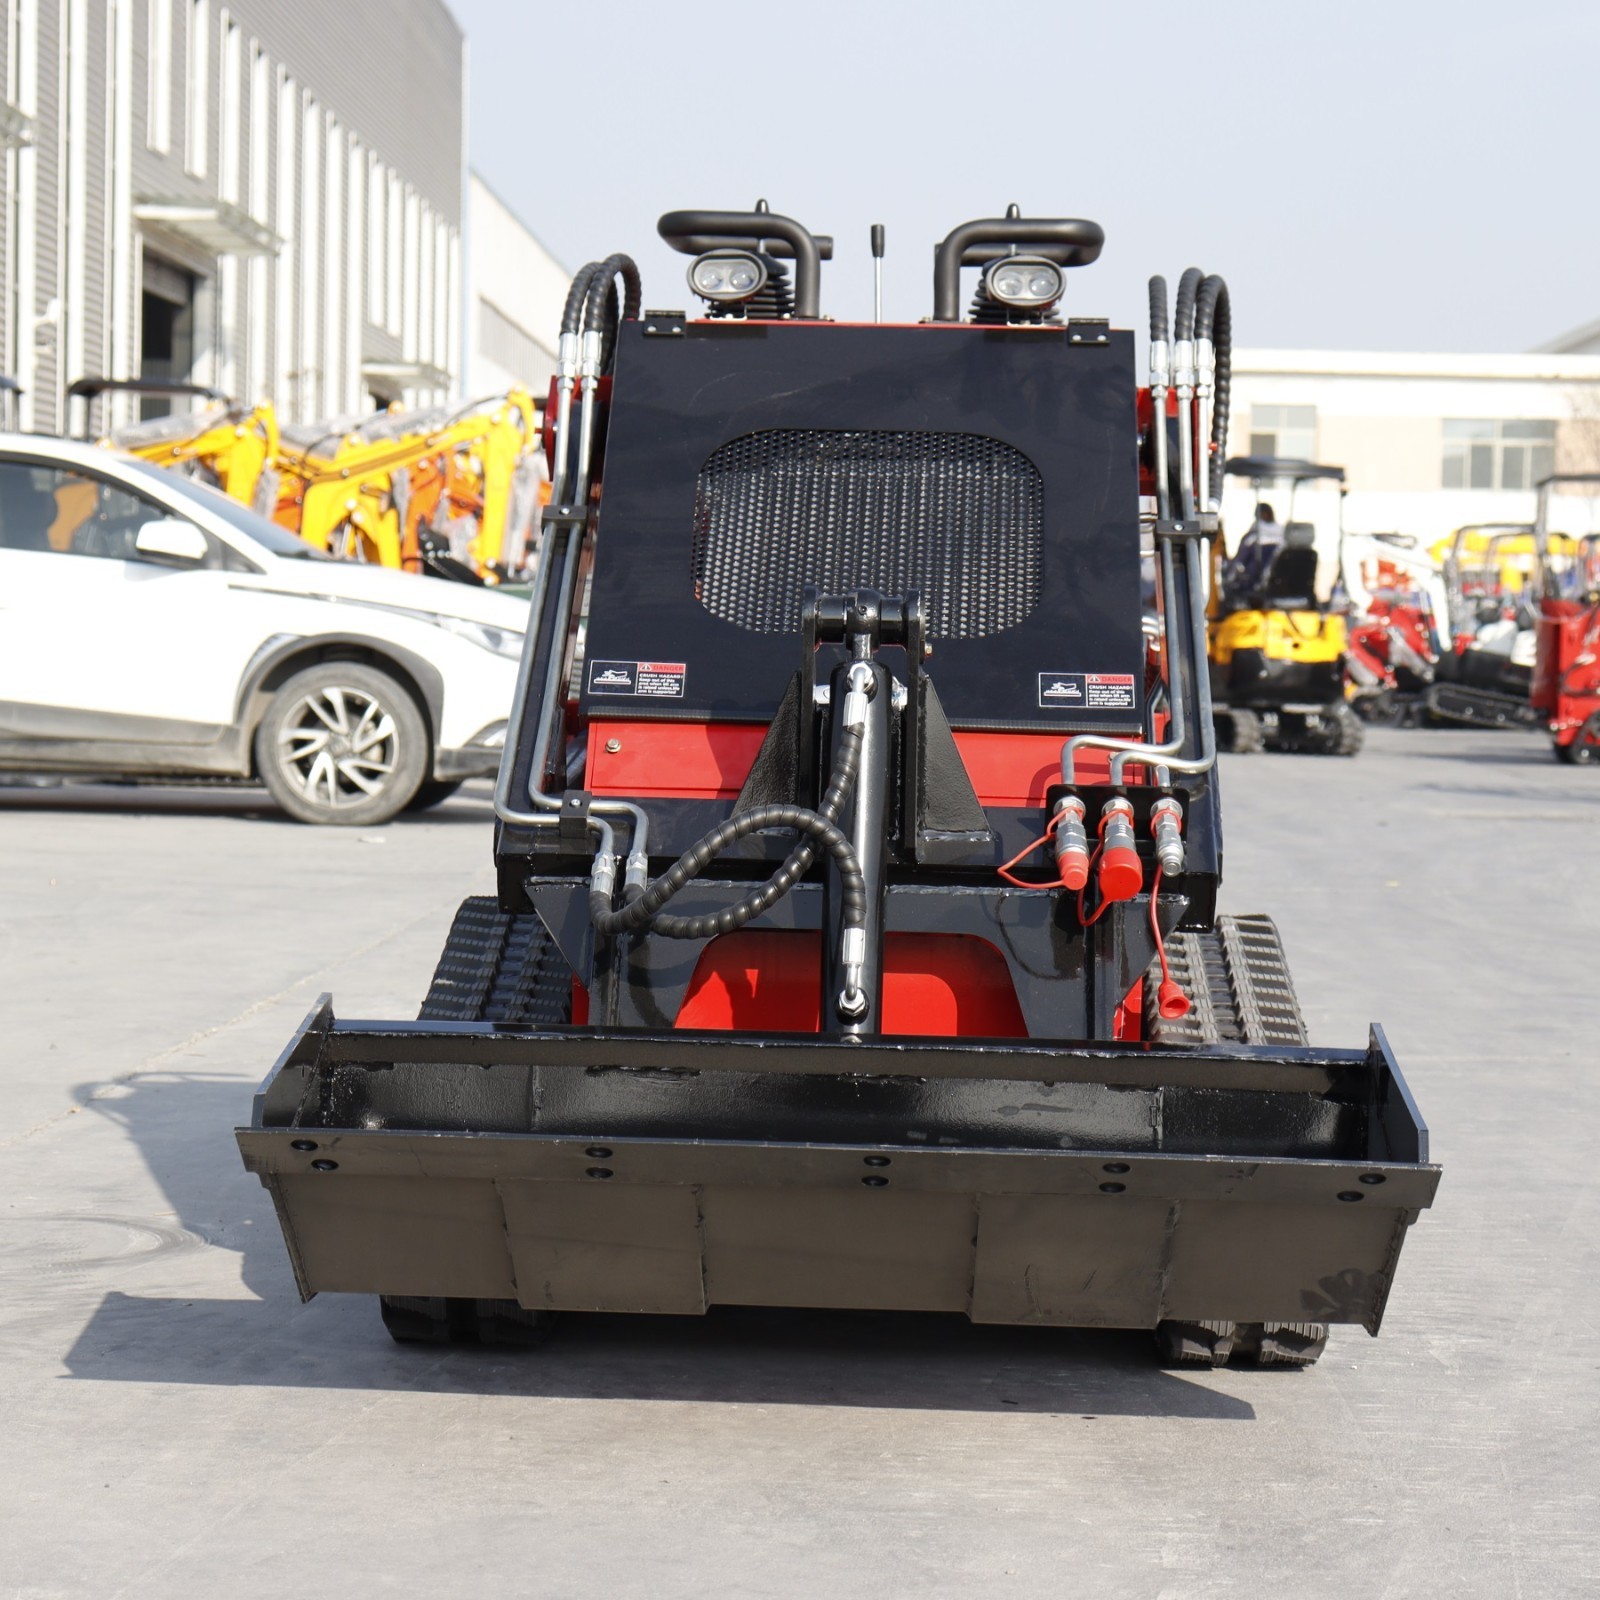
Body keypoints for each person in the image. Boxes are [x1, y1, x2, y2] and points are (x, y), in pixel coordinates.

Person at [1229, 501, 1284, 595]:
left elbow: (1240, 560)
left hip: (1255, 583)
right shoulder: (1283, 535)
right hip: (1279, 583)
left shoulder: (1252, 536)